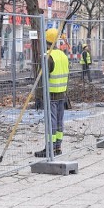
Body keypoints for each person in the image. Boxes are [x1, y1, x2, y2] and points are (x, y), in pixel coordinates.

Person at [34, 29, 69, 157]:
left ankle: (50, 148)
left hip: (51, 95)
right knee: (59, 120)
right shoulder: (63, 56)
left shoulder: (48, 57)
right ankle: (57, 147)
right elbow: (67, 76)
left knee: (51, 121)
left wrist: (38, 97)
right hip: (62, 94)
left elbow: (41, 80)